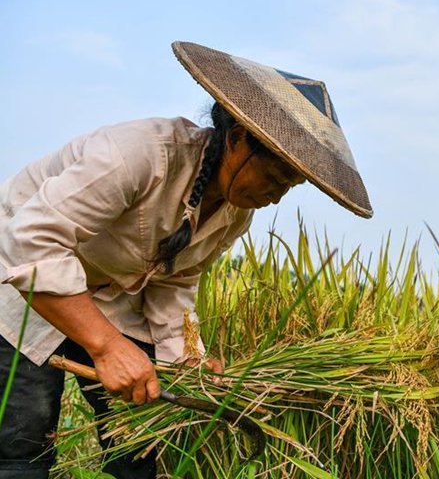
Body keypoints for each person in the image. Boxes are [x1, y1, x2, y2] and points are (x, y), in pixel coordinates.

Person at [0, 41, 372, 479]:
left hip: (111, 299)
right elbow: (32, 240)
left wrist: (189, 363)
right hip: (22, 289)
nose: (274, 198)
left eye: (287, 188)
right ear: (236, 140)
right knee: (21, 450)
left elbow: (174, 282)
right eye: (272, 178)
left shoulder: (236, 213)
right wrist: (105, 345)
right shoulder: (138, 155)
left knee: (139, 449)